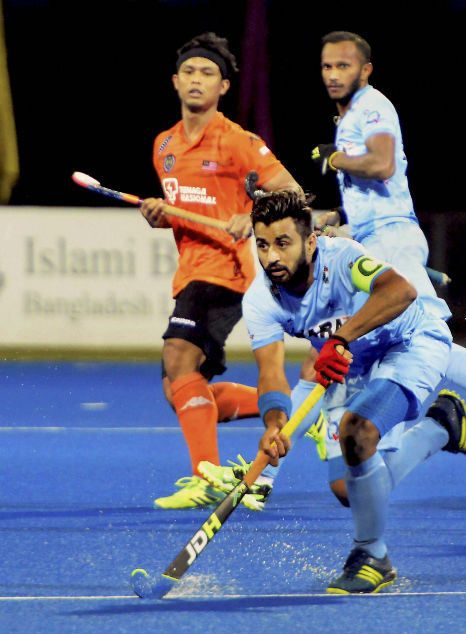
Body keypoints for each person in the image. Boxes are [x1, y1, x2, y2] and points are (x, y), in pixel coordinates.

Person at [200, 30, 466, 509]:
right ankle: (274, 467)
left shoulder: (372, 106)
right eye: (326, 66)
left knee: (426, 337)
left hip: (391, 237)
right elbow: (370, 190)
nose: (333, 75)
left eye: (343, 66)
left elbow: (381, 165)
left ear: (366, 70)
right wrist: (338, 222)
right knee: (322, 360)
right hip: (372, 235)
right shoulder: (349, 118)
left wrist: (335, 158)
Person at [243, 191, 466, 593]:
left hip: (412, 342)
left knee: (357, 431)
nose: (271, 256)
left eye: (282, 243)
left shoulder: (342, 257)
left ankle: (372, 556)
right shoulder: (260, 300)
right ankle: (442, 427)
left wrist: (339, 339)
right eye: (262, 245)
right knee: (350, 489)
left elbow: (400, 291)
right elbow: (270, 373)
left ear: (310, 242)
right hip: (357, 360)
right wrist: (275, 424)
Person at [139, 32, 303, 510]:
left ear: (223, 86)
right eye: (189, 71)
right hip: (191, 271)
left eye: (207, 73)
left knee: (178, 358)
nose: (197, 79)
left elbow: (292, 194)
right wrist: (160, 214)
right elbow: (185, 211)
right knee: (179, 389)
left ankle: (205, 475)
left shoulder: (238, 142)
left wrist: (252, 215)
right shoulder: (164, 145)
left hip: (227, 272)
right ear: (175, 81)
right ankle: (291, 413)